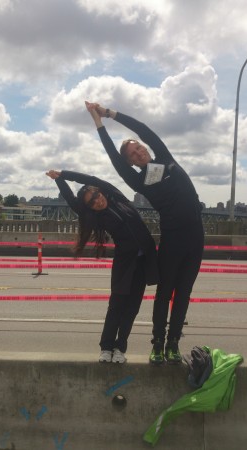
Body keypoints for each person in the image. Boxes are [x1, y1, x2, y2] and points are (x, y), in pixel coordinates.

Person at [85, 101, 204, 365]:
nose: (138, 153)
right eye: (132, 154)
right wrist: (98, 124)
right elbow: (113, 157)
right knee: (165, 293)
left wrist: (110, 113)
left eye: (138, 147)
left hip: (196, 238)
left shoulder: (165, 157)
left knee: (183, 292)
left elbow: (143, 128)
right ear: (131, 162)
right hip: (173, 239)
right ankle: (158, 343)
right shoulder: (137, 180)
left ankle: (173, 342)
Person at [46, 169, 158, 364]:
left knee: (132, 309)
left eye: (96, 195)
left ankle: (120, 348)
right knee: (116, 306)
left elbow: (91, 179)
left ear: (101, 191)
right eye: (91, 202)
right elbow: (73, 202)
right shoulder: (96, 216)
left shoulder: (117, 197)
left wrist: (64, 173)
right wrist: (60, 181)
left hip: (144, 261)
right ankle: (106, 347)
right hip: (124, 263)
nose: (97, 201)